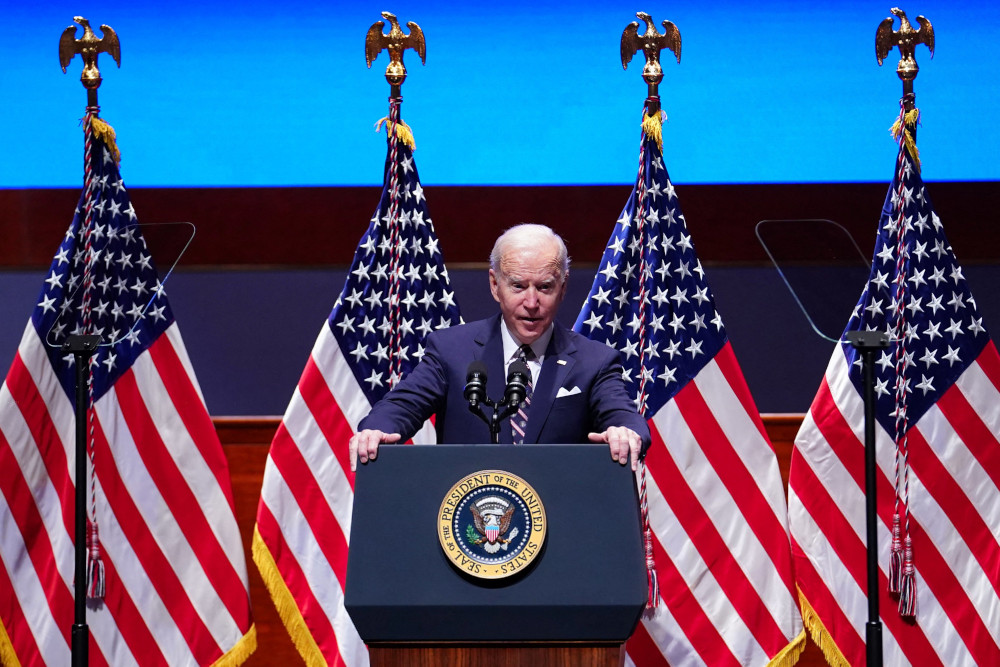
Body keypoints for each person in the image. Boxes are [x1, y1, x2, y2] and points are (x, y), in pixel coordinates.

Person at [349, 223, 650, 470]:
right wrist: (376, 429)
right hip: (466, 523)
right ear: (495, 285)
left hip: (559, 525)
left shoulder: (594, 361)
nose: (532, 303)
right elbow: (401, 405)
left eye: (545, 287)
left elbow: (623, 417)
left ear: (564, 287)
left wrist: (624, 432)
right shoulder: (451, 351)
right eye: (518, 286)